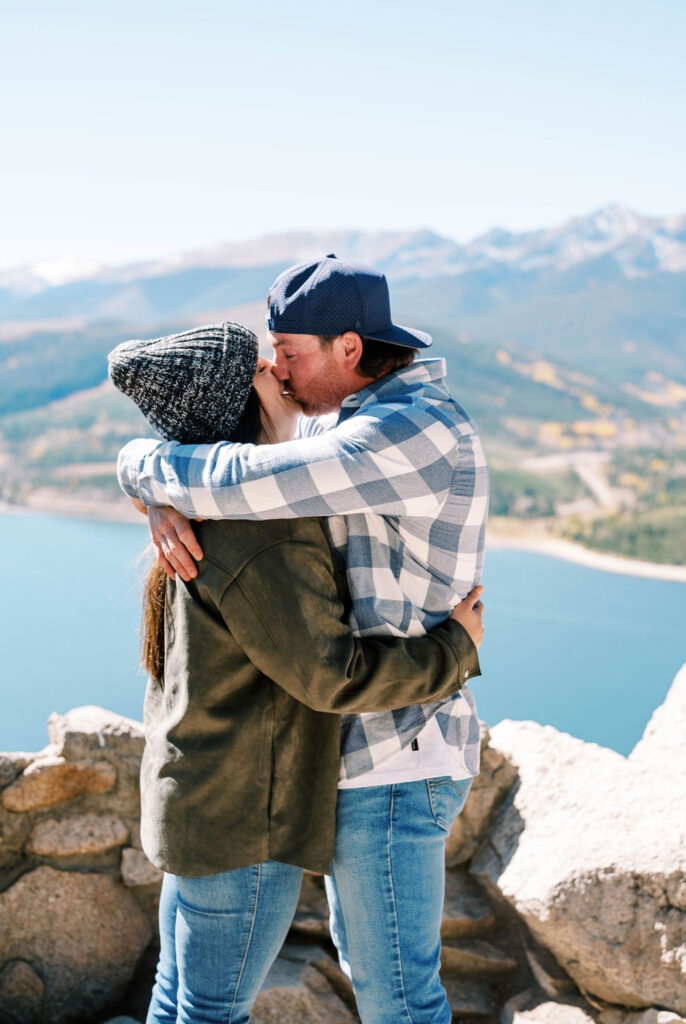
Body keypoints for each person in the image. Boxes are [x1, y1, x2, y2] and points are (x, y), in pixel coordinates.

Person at [117, 255, 489, 1024]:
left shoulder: (407, 431)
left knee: (396, 1000)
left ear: (349, 350)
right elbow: (240, 463)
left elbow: (245, 480)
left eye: (288, 350)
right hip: (349, 749)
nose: (279, 370)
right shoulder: (339, 414)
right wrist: (153, 488)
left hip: (399, 750)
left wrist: (149, 470)